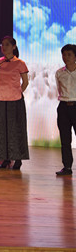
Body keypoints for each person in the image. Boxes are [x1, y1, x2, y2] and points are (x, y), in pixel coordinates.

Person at [0, 35, 29, 170]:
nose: (4, 47)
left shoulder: (20, 63)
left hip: (15, 100)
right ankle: (5, 158)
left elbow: (25, 82)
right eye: (2, 44)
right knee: (2, 130)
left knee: (16, 129)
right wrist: (4, 90)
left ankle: (18, 159)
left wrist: (17, 92)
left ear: (14, 46)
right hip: (1, 98)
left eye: (7, 44)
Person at [55, 43, 76, 176]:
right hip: (63, 106)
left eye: (69, 55)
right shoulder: (59, 72)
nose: (66, 57)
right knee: (65, 139)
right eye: (64, 55)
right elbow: (59, 89)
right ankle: (67, 166)